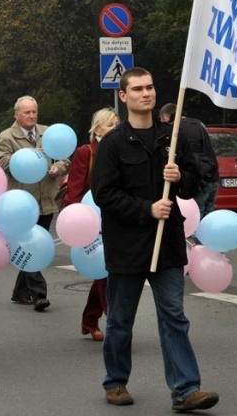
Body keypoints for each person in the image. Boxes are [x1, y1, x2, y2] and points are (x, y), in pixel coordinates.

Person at [92, 67, 219, 412]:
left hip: (168, 244)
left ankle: (186, 389)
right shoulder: (113, 143)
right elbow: (104, 194)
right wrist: (146, 209)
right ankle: (116, 381)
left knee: (174, 315)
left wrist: (180, 177)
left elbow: (195, 182)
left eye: (149, 87)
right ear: (123, 96)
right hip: (128, 245)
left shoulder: (171, 138)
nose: (145, 94)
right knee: (120, 319)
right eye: (137, 89)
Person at [0, 95, 69, 312]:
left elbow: (64, 157)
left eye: (34, 111)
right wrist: (28, 155)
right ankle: (39, 294)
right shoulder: (6, 137)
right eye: (26, 112)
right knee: (30, 245)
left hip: (46, 199)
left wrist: (59, 167)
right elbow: (2, 163)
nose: (31, 116)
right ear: (16, 115)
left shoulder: (48, 133)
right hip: (21, 203)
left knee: (34, 244)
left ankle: (20, 291)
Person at [62, 107, 119, 342]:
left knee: (104, 271)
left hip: (116, 216)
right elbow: (74, 189)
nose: (114, 129)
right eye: (109, 125)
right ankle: (116, 324)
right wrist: (74, 221)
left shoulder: (121, 150)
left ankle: (90, 319)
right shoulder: (86, 152)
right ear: (97, 129)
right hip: (89, 220)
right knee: (106, 272)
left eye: (117, 124)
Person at [159, 103, 219, 216]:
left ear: (166, 117)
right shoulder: (199, 124)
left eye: (162, 120)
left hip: (198, 180)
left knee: (196, 215)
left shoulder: (176, 130)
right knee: (209, 216)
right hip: (213, 176)